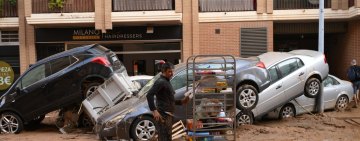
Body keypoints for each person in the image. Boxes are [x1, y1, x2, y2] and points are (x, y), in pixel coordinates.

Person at [146, 62, 190, 141]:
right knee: (163, 138)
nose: (172, 73)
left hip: (168, 115)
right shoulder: (160, 82)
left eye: (172, 71)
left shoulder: (166, 81)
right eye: (169, 71)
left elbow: (168, 99)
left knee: (168, 137)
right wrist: (154, 111)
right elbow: (149, 95)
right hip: (163, 115)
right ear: (163, 71)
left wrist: (181, 102)